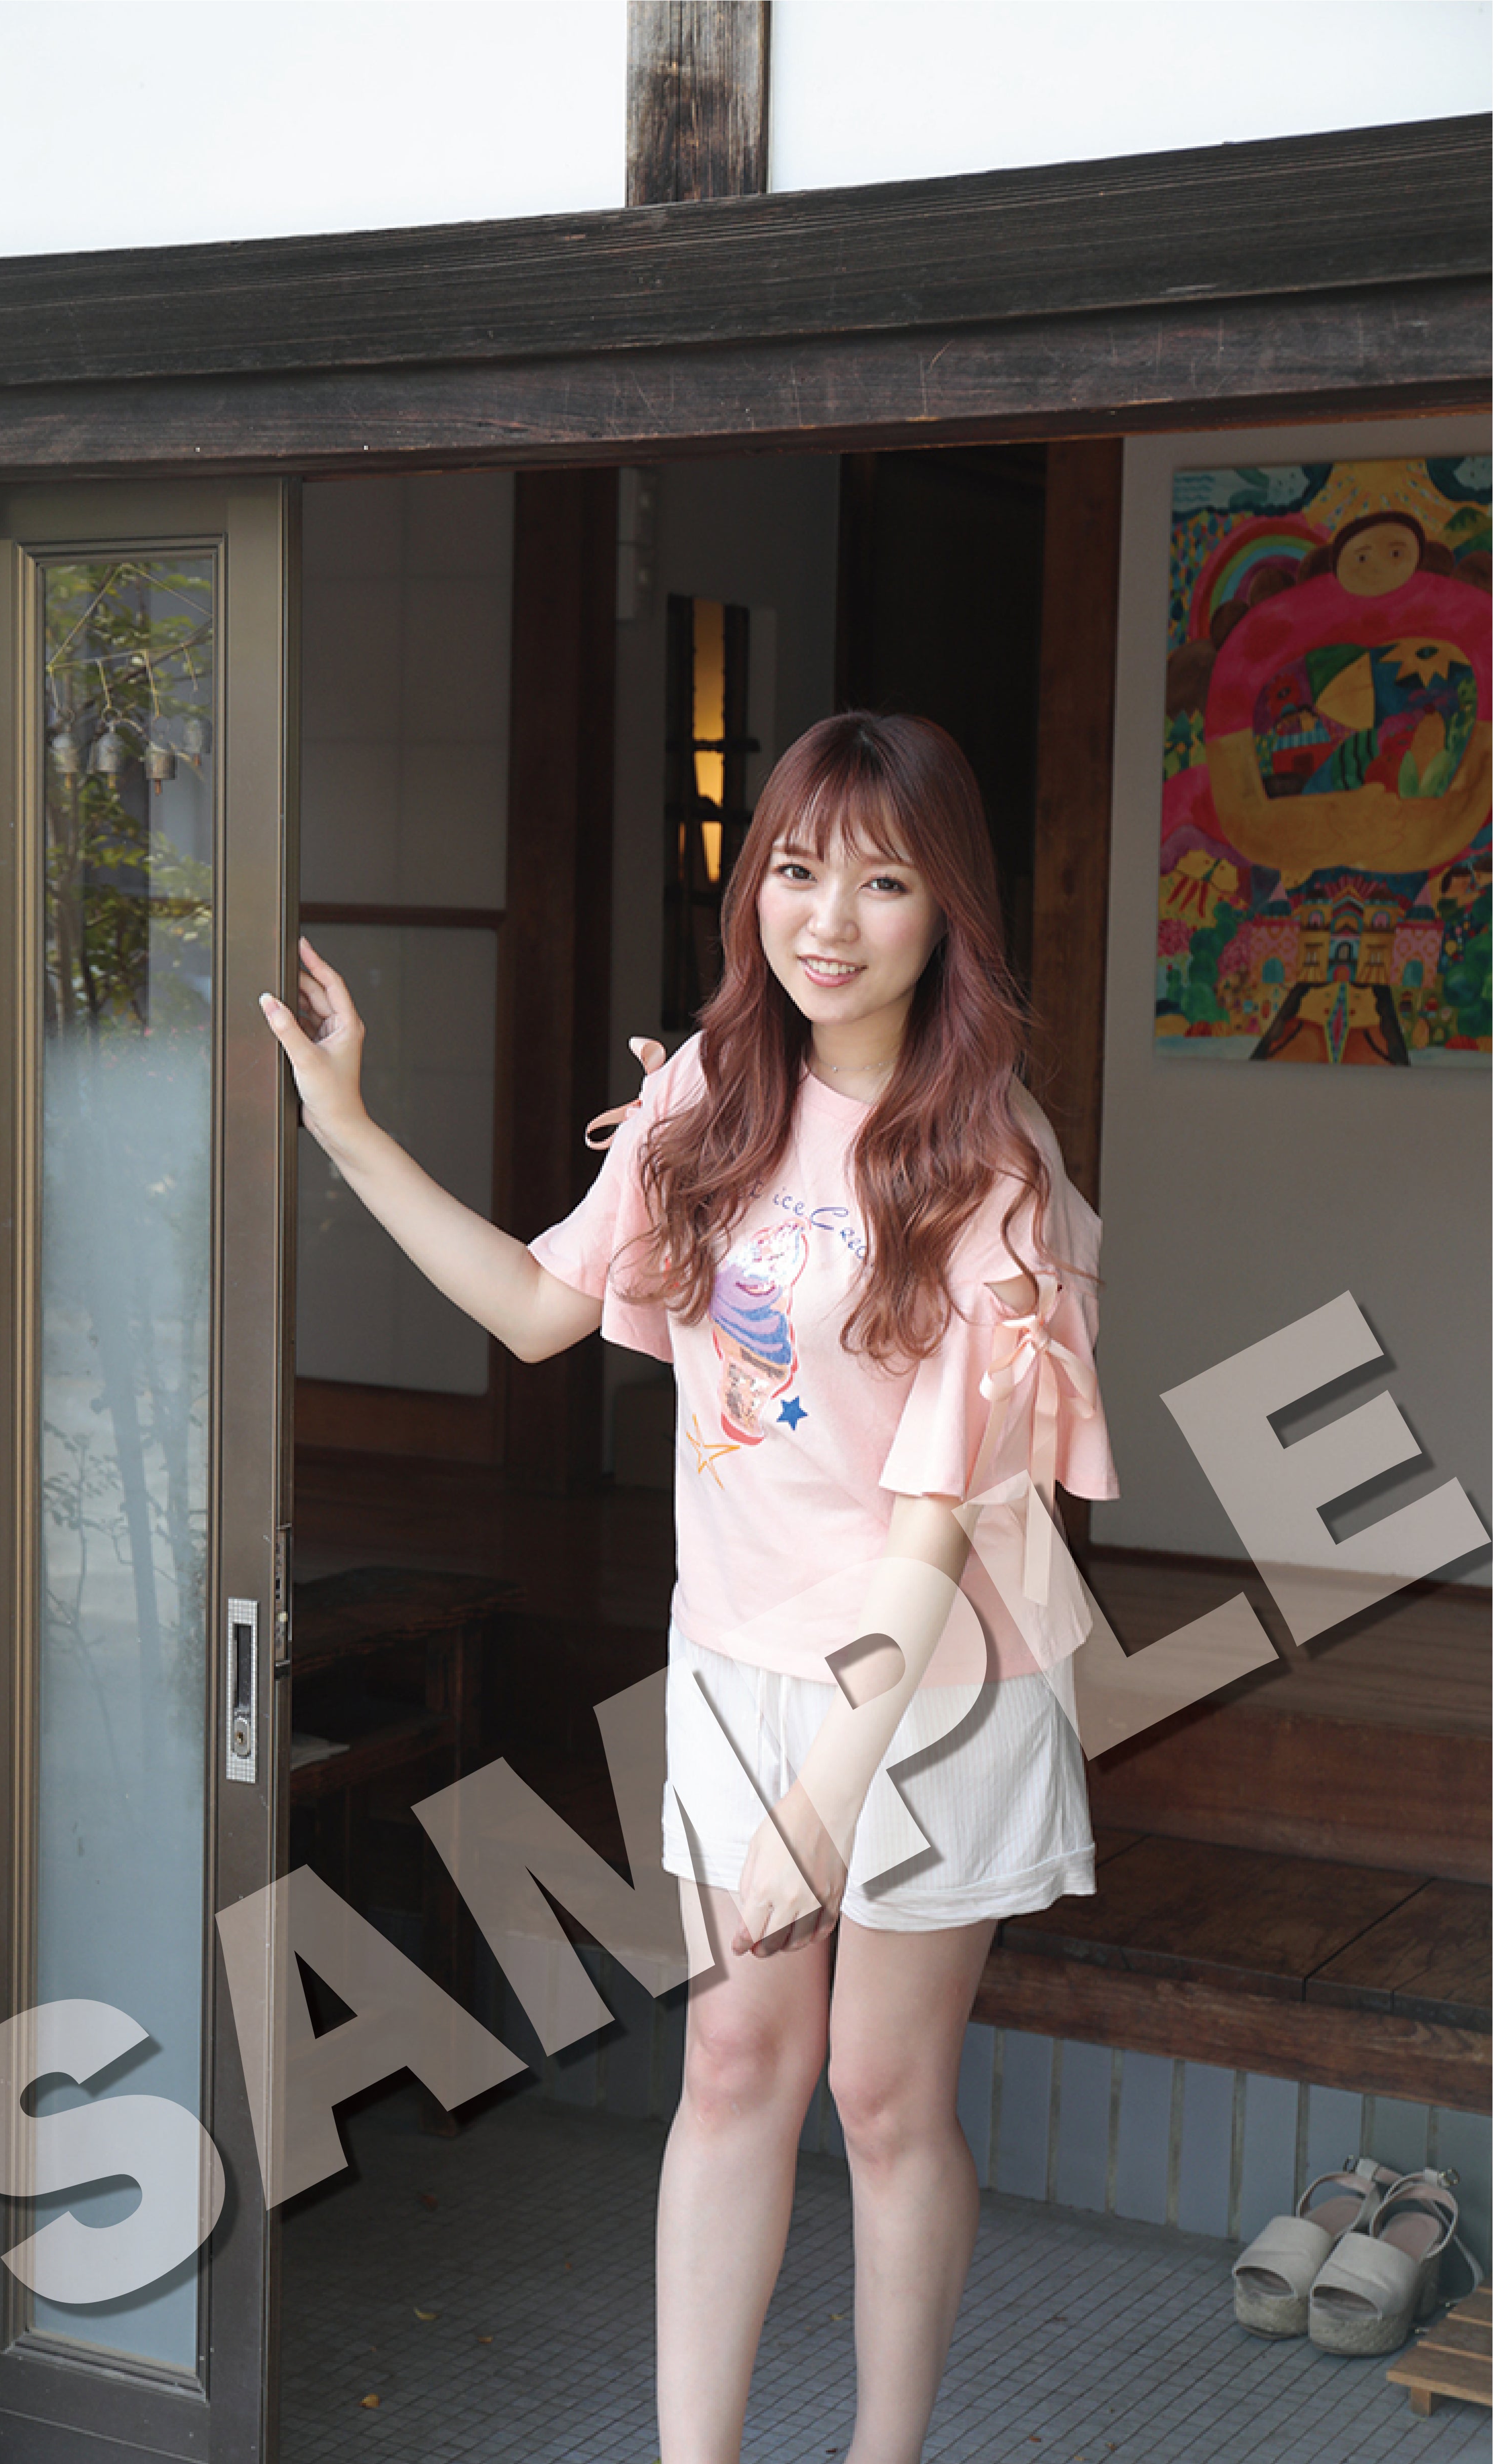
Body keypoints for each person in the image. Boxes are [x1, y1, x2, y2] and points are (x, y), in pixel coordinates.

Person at [261, 710, 1116, 2464]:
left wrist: (823, 1796)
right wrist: (346, 1127)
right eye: (796, 872)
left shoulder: (992, 1165)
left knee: (883, 2094)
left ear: (947, 910)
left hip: (934, 1682)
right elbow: (536, 1310)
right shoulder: (706, 1097)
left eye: (882, 884)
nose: (829, 921)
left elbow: (935, 1533)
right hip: (738, 1661)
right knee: (732, 2065)